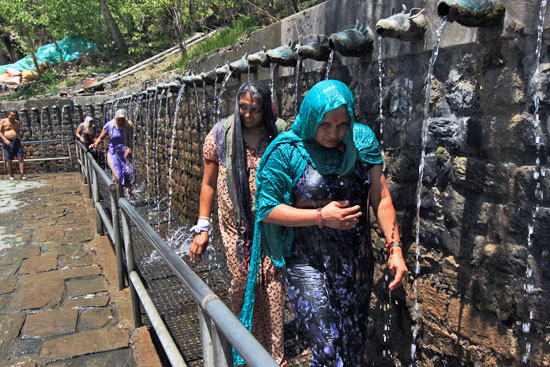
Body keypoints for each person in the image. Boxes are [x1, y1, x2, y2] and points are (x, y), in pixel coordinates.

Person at [241, 80, 408, 366]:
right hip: (307, 263)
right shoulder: (287, 151)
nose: (335, 133)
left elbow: (381, 198)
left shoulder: (362, 142)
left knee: (352, 347)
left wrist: (395, 248)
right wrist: (320, 217)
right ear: (311, 118)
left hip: (356, 262)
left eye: (343, 124)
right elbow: (266, 209)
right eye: (326, 125)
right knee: (329, 347)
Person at [189, 80, 288, 365]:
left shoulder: (279, 132)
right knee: (242, 283)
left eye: (255, 110)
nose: (247, 115)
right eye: (242, 108)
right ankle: (242, 348)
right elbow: (208, 185)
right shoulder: (221, 134)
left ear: (265, 109)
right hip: (236, 230)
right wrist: (203, 227)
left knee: (272, 287)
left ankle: (273, 356)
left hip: (271, 227)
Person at [89, 109, 134, 198]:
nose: (120, 121)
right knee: (117, 177)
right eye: (118, 119)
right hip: (113, 154)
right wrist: (95, 144)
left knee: (127, 174)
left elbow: (131, 139)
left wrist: (129, 149)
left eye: (122, 119)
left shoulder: (129, 126)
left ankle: (130, 195)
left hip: (124, 153)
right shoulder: (110, 125)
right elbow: (101, 137)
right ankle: (121, 200)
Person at [0, 110, 26, 180]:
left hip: (16, 141)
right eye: (11, 115)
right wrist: (5, 140)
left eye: (14, 115)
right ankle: (11, 175)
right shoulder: (3, 121)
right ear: (8, 115)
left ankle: (22, 174)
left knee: (20, 158)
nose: (13, 117)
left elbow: (17, 131)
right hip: (7, 142)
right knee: (9, 159)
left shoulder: (17, 123)